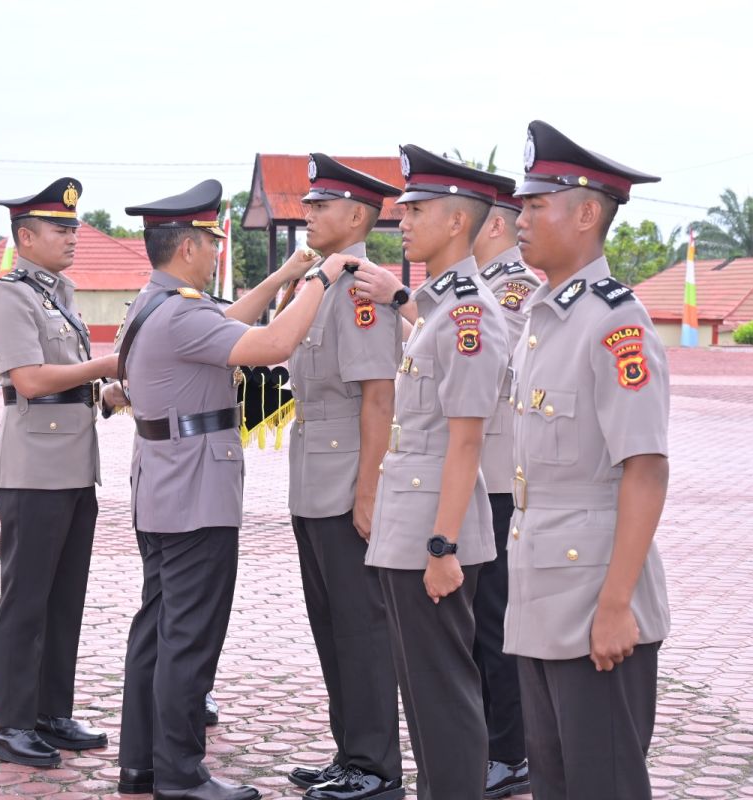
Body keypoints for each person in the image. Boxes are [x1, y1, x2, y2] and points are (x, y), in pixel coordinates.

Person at [114, 178, 346, 800]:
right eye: (213, 240)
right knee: (189, 638)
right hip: (195, 495)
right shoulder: (183, 313)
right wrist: (322, 281)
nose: (217, 249)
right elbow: (269, 344)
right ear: (190, 246)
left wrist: (284, 279)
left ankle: (141, 765)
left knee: (158, 630)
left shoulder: (156, 303)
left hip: (162, 489)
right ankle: (181, 774)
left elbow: (228, 322)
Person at [506, 120, 670, 800]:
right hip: (542, 596)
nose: (519, 218)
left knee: (603, 786)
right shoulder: (546, 320)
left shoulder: (615, 324)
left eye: (534, 205)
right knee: (556, 784)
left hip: (596, 601)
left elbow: (646, 469)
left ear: (585, 214)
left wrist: (614, 605)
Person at [349, 145, 510, 800]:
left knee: (444, 697)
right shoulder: (439, 307)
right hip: (408, 524)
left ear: (455, 223)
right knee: (424, 697)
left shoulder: (470, 315)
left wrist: (443, 548)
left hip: (433, 536)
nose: (402, 219)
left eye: (416, 210)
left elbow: (466, 443)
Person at [281, 153, 405, 800]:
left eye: (319, 206)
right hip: (313, 475)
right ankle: (350, 752)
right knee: (330, 625)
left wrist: (370, 493)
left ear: (356, 216)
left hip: (345, 482)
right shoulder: (324, 283)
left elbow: (379, 399)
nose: (308, 214)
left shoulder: (363, 288)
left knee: (361, 628)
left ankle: (377, 768)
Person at [0, 178, 117, 769]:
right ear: (25, 236)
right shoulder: (9, 296)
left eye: (73, 228)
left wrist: (106, 389)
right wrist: (108, 362)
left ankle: (51, 712)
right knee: (26, 601)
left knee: (65, 598)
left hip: (71, 466)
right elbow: (31, 380)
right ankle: (11, 724)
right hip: (32, 469)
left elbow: (69, 381)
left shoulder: (58, 291)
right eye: (61, 230)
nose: (71, 238)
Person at [470, 187, 541, 798]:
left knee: (494, 622)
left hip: (496, 479)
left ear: (492, 225)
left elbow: (491, 355)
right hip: (474, 478)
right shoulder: (471, 287)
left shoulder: (513, 287)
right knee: (475, 623)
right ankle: (490, 743)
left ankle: (510, 751)